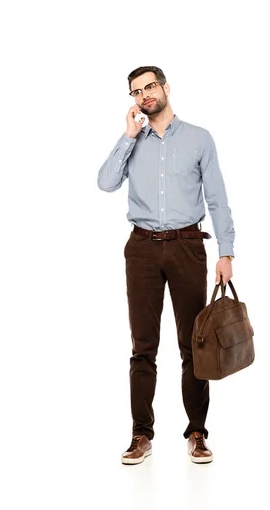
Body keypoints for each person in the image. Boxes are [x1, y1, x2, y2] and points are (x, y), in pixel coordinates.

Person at [97, 65, 235, 465]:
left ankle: (197, 432)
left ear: (165, 88)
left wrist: (225, 252)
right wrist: (127, 137)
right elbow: (105, 183)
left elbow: (218, 199)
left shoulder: (198, 139)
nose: (144, 95)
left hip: (187, 247)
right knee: (143, 347)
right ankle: (141, 434)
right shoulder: (133, 140)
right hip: (140, 249)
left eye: (150, 86)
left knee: (195, 345)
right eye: (136, 92)